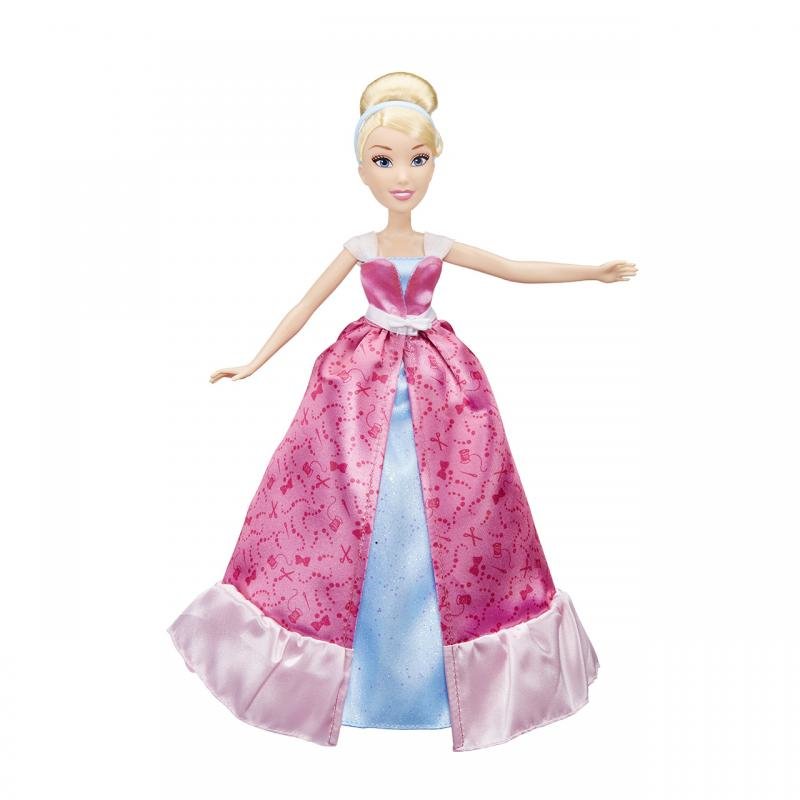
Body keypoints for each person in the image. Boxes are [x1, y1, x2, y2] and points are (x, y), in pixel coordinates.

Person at [167, 70, 636, 751]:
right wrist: (253, 361)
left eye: (417, 160)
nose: (402, 176)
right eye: (384, 161)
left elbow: (512, 267)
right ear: (362, 169)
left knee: (458, 503)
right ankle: (342, 669)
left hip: (442, 382)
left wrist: (591, 271)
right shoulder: (361, 247)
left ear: (434, 162)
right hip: (358, 384)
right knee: (346, 500)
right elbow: (303, 307)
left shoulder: (437, 245)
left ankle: (442, 675)